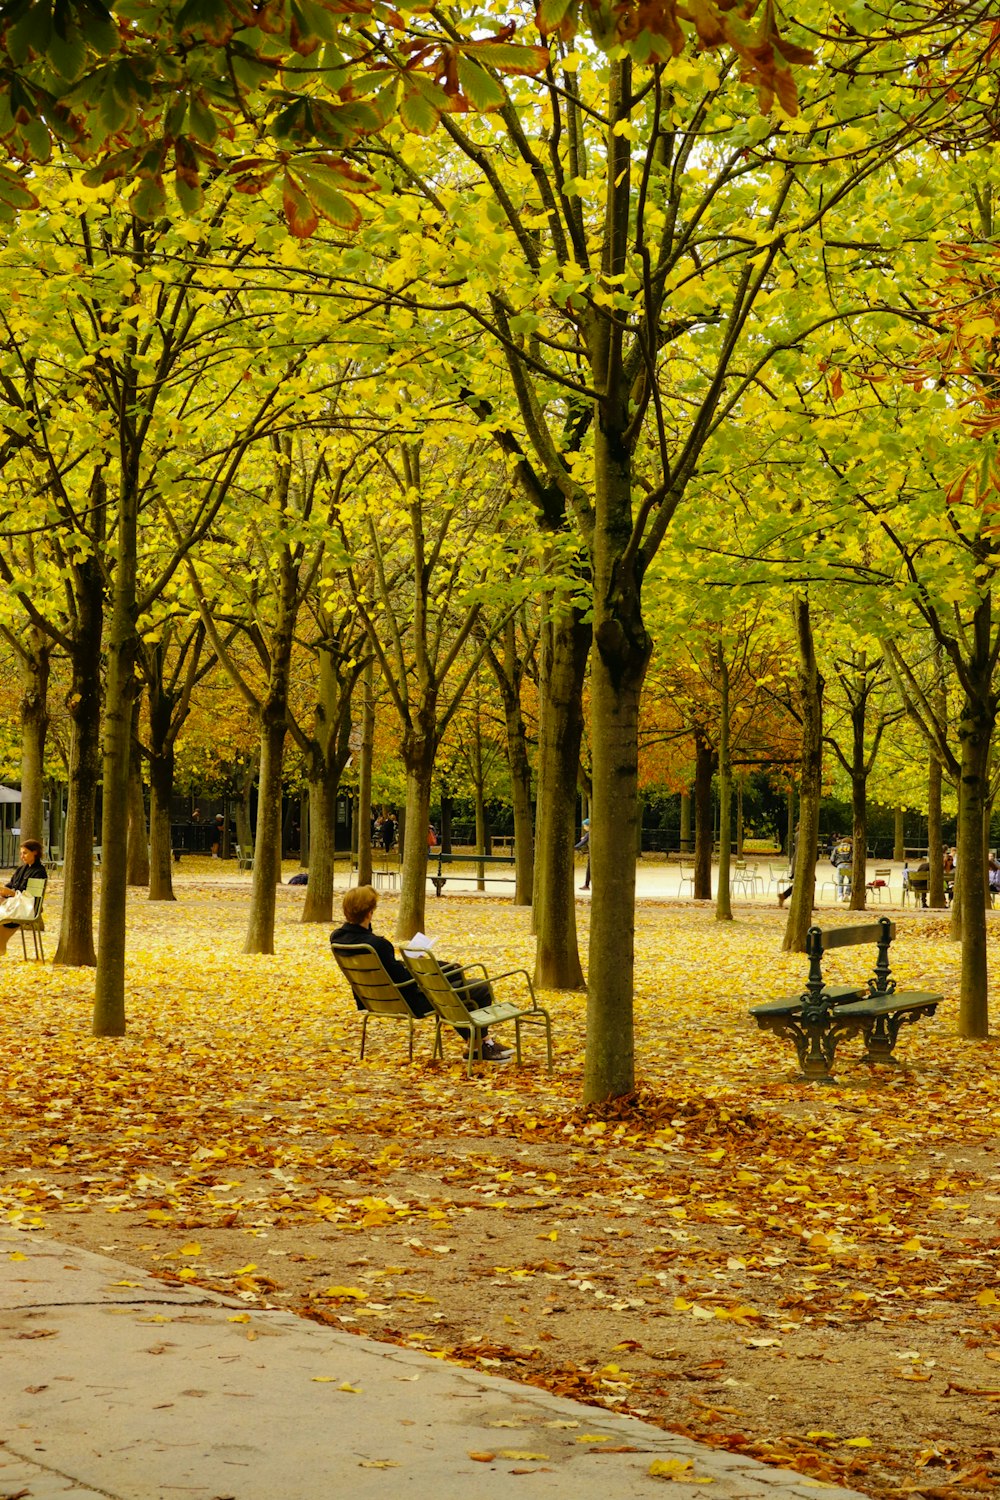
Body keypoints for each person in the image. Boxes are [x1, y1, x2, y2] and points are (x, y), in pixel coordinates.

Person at [329, 885, 511, 1060]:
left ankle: (481, 1042)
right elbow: (405, 979)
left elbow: (390, 970)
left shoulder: (338, 938)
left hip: (376, 999)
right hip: (410, 1001)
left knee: (455, 981)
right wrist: (420, 964)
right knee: (479, 987)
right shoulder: (378, 944)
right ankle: (481, 1045)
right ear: (369, 913)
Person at [0, 839, 45, 956]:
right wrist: (3, 892)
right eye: (21, 853)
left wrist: (11, 893)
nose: (22, 856)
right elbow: (10, 886)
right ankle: (1, 945)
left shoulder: (39, 872)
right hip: (13, 903)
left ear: (35, 852)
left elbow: (30, 897)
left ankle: (1, 945)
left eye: (25, 853)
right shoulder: (21, 869)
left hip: (26, 907)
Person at [575, 817, 590, 891]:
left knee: (589, 870)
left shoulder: (589, 834)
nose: (584, 827)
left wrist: (574, 847)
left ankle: (586, 885)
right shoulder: (591, 833)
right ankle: (586, 885)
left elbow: (582, 843)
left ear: (588, 826)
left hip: (592, 856)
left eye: (584, 826)